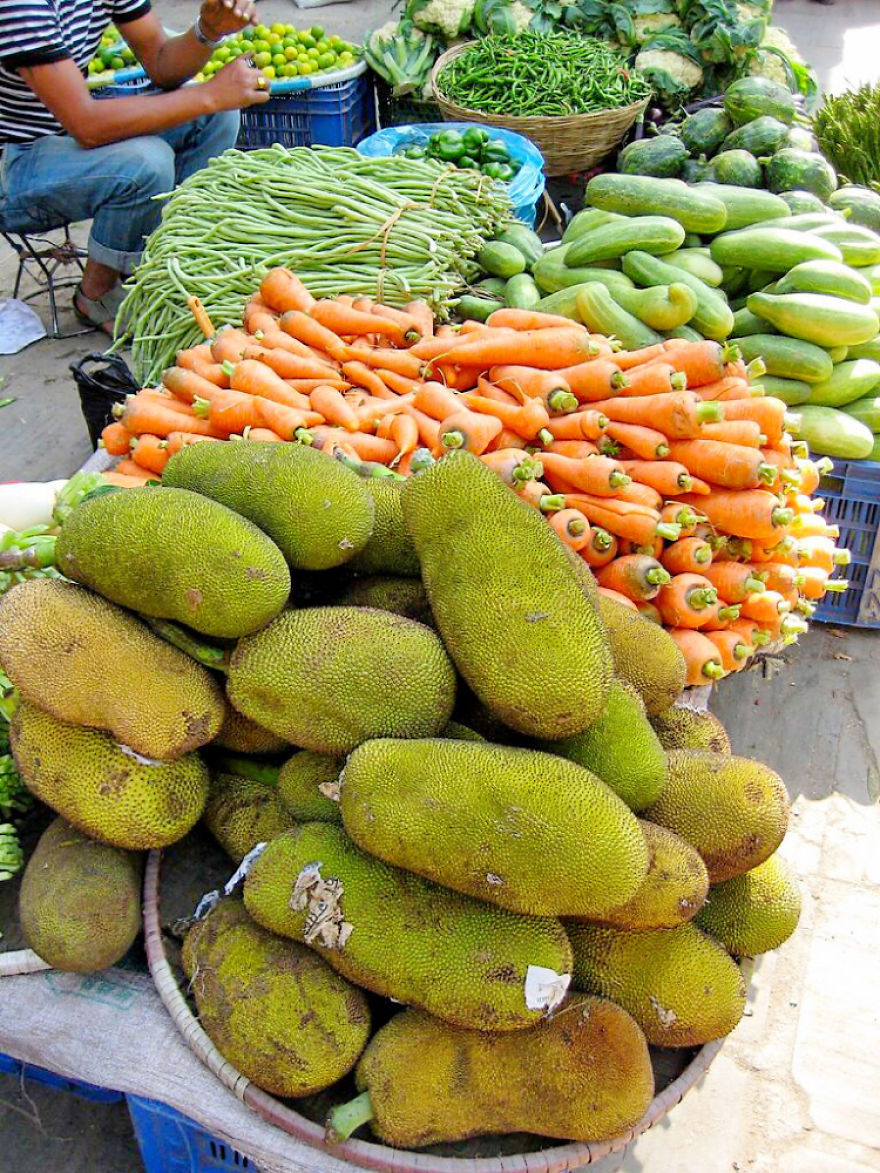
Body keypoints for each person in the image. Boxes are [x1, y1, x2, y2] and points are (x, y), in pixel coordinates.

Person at [0, 0, 271, 331]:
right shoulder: (21, 5)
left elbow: (161, 63)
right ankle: (96, 293)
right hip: (12, 165)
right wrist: (212, 93)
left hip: (62, 137)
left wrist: (208, 31)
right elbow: (87, 126)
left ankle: (164, 265)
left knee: (215, 117)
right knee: (147, 161)